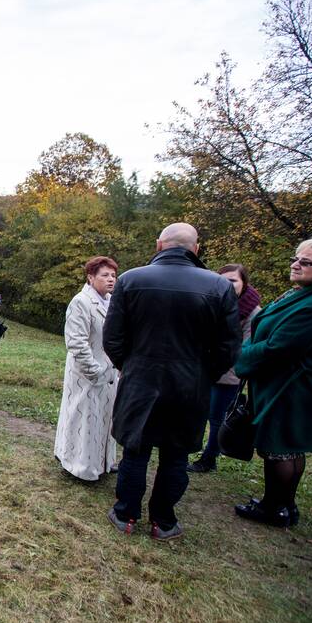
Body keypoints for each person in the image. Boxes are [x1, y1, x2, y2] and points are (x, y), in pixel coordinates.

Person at [102, 223, 240, 540]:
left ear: (159, 245)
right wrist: (203, 375)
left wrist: (133, 366)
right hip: (189, 385)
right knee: (175, 455)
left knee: (135, 451)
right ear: (196, 249)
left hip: (141, 380)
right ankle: (163, 521)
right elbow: (228, 348)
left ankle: (126, 514)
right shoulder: (220, 287)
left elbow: (113, 338)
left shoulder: (131, 279)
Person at [233, 237, 312, 527]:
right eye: (295, 259)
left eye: (306, 262)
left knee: (280, 446)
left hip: (294, 388)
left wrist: (240, 354)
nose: (296, 265)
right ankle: (281, 503)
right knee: (287, 447)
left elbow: (280, 348)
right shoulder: (308, 295)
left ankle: (275, 507)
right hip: (293, 384)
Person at [188, 264, 262, 473]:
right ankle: (194, 450)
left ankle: (209, 458)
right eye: (223, 280)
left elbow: (245, 346)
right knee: (199, 413)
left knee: (218, 418)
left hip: (228, 374)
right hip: (203, 370)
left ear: (244, 283)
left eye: (233, 281)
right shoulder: (212, 302)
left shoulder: (252, 312)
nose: (227, 285)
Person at [54, 257, 120, 482]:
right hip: (86, 374)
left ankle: (104, 462)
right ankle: (79, 465)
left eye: (113, 275)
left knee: (105, 418)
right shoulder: (81, 302)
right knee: (83, 419)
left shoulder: (112, 302)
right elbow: (76, 342)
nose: (110, 279)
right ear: (91, 277)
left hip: (110, 374)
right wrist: (94, 371)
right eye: (105, 275)